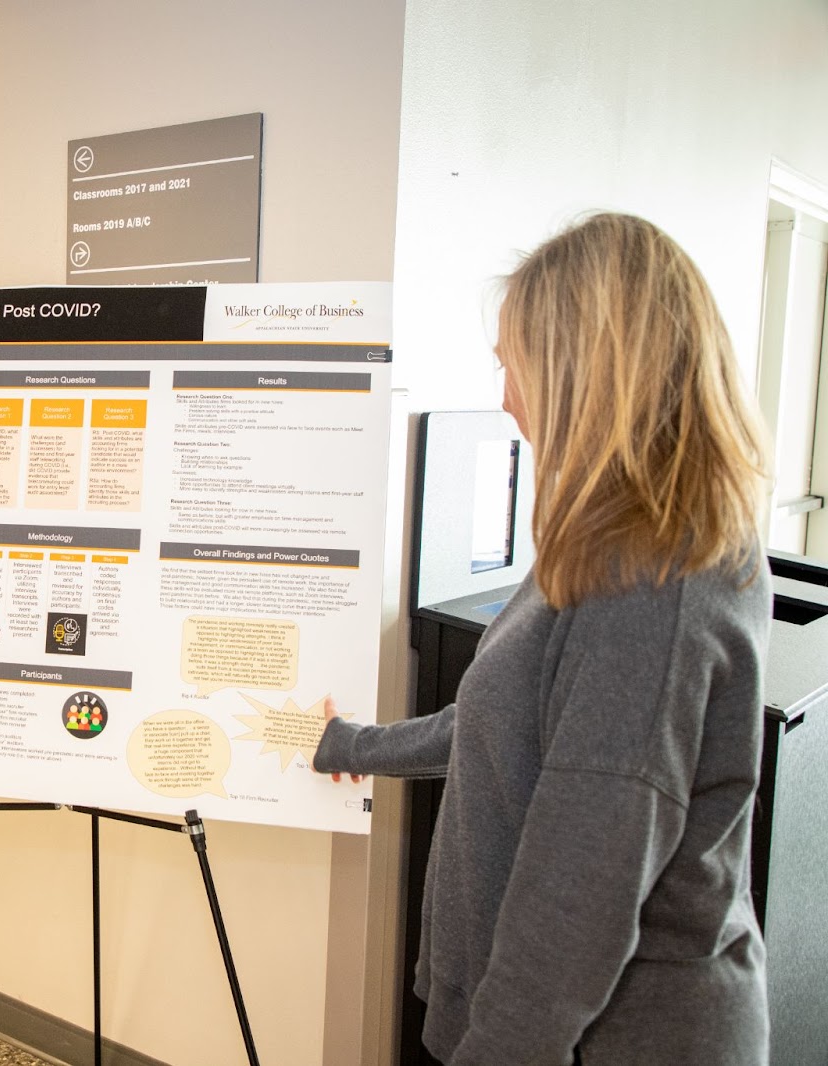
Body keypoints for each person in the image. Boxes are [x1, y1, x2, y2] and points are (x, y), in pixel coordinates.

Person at [315, 213, 771, 1064]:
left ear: (583, 367)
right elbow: (514, 722)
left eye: (512, 364)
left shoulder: (653, 585)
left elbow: (577, 898)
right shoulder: (611, 540)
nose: (506, 398)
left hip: (620, 1036)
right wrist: (354, 745)